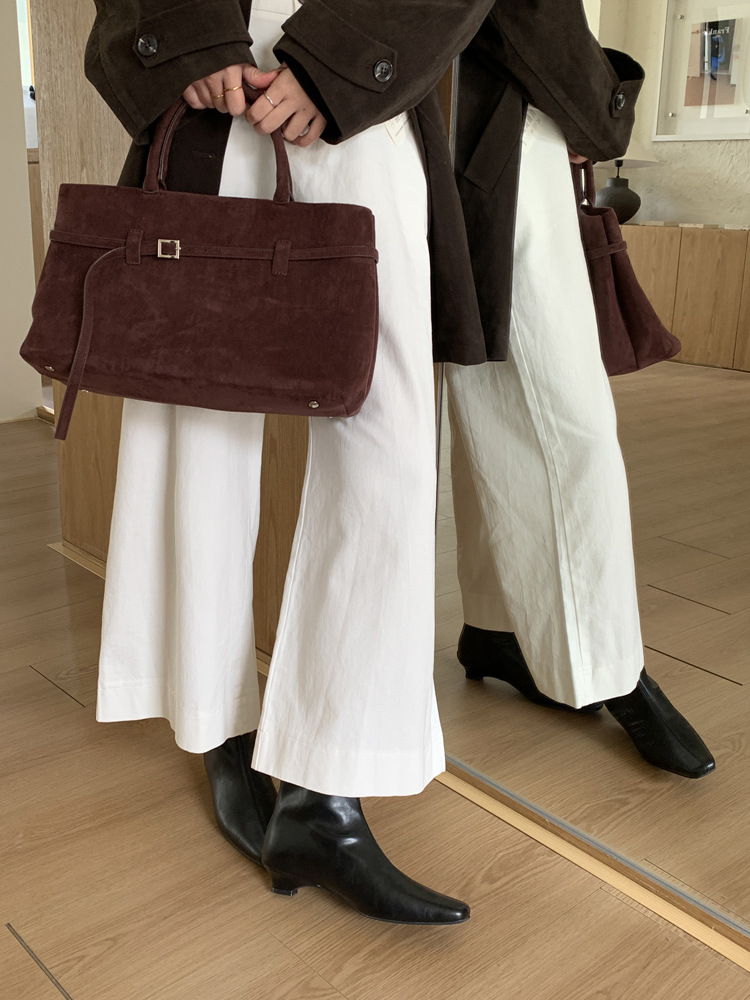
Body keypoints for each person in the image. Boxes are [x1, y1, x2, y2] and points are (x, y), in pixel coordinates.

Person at [84, 0, 649, 924]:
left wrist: (339, 66)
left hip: (371, 74)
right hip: (215, 61)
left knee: (388, 441)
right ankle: (216, 721)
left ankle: (325, 790)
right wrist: (186, 34)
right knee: (200, 412)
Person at [445, 25, 715, 781]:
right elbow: (534, 12)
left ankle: (498, 625)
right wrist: (597, 116)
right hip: (482, 126)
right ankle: (606, 666)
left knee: (496, 391)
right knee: (567, 418)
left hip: (456, 113)